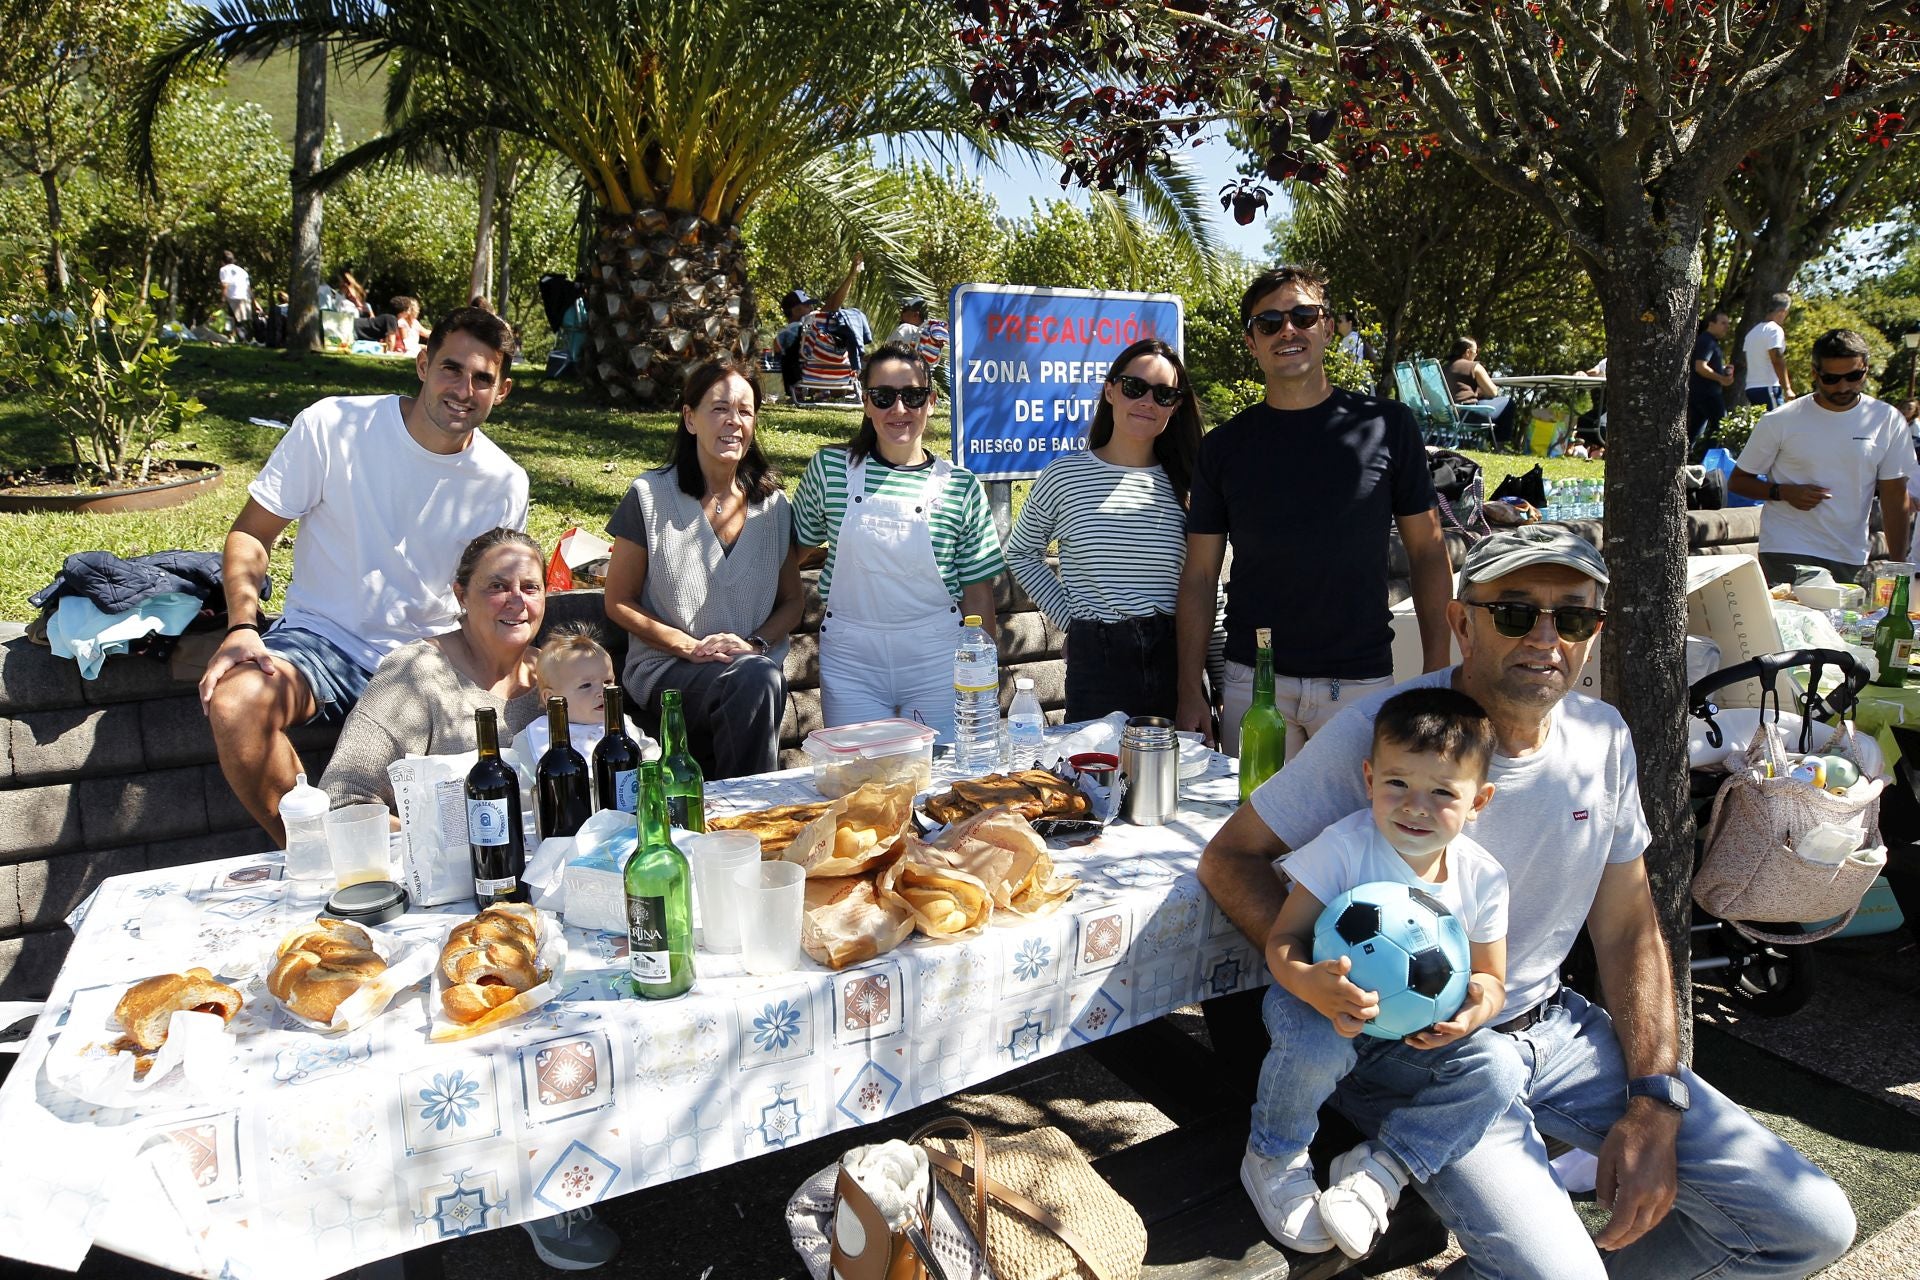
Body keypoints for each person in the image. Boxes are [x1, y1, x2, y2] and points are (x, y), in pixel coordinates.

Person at [1197, 524, 1856, 1280]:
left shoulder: (1602, 736)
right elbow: (1230, 858)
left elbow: (1629, 928)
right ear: (1460, 621)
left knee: (1807, 1226)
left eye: (1572, 616)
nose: (1546, 637)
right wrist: (1314, 973)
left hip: (1557, 1029)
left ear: (1592, 632)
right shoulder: (1386, 735)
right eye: (1515, 611)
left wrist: (1655, 1098)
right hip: (1419, 1052)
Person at [199, 307, 529, 845]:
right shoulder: (334, 426)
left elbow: (491, 594)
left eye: (482, 378)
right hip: (323, 642)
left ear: (502, 391)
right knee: (236, 702)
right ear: (422, 364)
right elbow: (251, 535)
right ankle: (320, 855)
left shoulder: (505, 482)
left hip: (430, 660)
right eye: (451, 368)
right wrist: (242, 627)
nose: (464, 389)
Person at [1243, 687, 1519, 1261]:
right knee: (1311, 1030)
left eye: (1442, 792)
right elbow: (1283, 942)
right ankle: (1274, 1151)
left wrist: (1475, 1010)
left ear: (1480, 801)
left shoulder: (1483, 879)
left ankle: (1382, 1170)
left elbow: (1493, 979)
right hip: (1319, 1014)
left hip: (1408, 1043)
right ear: (1369, 778)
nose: (1415, 806)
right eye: (1397, 783)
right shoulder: (1343, 848)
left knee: (1500, 1065)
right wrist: (1310, 985)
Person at [1176, 263, 1452, 758]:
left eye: (1304, 316)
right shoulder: (1222, 448)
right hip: (1253, 687)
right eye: (1269, 323)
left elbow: (1429, 554)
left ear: (1326, 328)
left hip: (1359, 686)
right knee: (1251, 834)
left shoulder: (1387, 425)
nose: (1288, 330)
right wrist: (1188, 689)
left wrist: (1436, 673)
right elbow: (1198, 576)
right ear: (1251, 342)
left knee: (1355, 834)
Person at [604, 356, 804, 779]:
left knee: (755, 677)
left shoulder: (775, 509)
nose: (733, 421)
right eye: (719, 408)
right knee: (756, 681)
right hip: (668, 674)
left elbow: (792, 602)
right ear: (690, 418)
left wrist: (755, 645)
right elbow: (618, 600)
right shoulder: (649, 496)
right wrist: (688, 647)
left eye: (745, 411)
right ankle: (756, 817)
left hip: (752, 671)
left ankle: (738, 817)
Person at [794, 340, 1005, 741]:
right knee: (858, 785)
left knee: (944, 784)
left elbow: (979, 593)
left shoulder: (961, 487)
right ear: (865, 400)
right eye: (884, 397)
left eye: (912, 396)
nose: (899, 409)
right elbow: (791, 555)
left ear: (932, 401)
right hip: (850, 663)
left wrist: (982, 679)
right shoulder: (829, 470)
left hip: (939, 660)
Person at [1006, 338, 1201, 721]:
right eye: (1134, 388)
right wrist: (1073, 624)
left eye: (1163, 394)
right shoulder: (1064, 475)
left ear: (1175, 407)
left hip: (1176, 663)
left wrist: (1214, 679)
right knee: (1097, 779)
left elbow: (1203, 586)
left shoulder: (1191, 484)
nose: (1147, 401)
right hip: (1100, 664)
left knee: (1179, 780)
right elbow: (1021, 552)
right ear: (1110, 391)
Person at [320, 529, 548, 816]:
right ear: (461, 595)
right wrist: (427, 843)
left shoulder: (562, 677)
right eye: (497, 586)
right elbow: (342, 799)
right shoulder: (416, 672)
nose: (516, 601)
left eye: (530, 588)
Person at [1729, 327, 1910, 587]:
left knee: (1844, 629)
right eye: (1831, 379)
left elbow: (1895, 496)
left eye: (1853, 376)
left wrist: (1898, 565)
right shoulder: (1781, 420)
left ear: (1865, 369)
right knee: (1799, 626)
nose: (1843, 386)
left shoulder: (1887, 419)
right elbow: (1738, 481)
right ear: (1815, 373)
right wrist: (1783, 492)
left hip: (1850, 553)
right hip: (1788, 548)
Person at [509, 628, 656, 766]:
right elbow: (523, 785)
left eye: (607, 681)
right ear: (551, 698)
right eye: (585, 685)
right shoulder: (535, 737)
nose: (602, 691)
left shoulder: (623, 725)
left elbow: (651, 755)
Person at [777, 257, 866, 395]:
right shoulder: (807, 324)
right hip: (840, 378)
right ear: (795, 310)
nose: (812, 307)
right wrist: (851, 276)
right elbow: (832, 306)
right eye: (807, 305)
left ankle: (804, 392)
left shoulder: (789, 332)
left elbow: (776, 349)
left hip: (808, 378)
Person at [1444, 338, 1518, 446]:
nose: (1476, 354)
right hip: (1468, 413)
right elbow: (1493, 392)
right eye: (1475, 351)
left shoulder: (1444, 367)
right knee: (1508, 403)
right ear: (1468, 352)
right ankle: (1498, 444)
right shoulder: (1474, 366)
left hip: (1448, 414)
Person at [1688, 308, 1736, 456]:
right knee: (1720, 425)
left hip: (1700, 393)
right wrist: (1721, 378)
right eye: (1723, 323)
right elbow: (1700, 367)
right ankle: (1709, 465)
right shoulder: (1706, 341)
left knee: (1695, 430)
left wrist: (1722, 370)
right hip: (1707, 394)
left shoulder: (1710, 342)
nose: (1726, 327)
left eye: (1728, 324)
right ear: (1711, 323)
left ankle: (1686, 459)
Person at [1742, 292, 1794, 408]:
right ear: (1782, 312)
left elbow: (1747, 361)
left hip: (1751, 388)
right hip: (1769, 387)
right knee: (1777, 424)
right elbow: (1776, 359)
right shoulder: (1774, 330)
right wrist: (1787, 388)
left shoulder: (1752, 333)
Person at [217, 250, 253, 337]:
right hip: (245, 297)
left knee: (231, 320)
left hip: (233, 297)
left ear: (222, 261)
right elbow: (249, 288)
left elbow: (225, 285)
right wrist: (254, 302)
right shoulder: (242, 271)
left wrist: (222, 300)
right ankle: (239, 337)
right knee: (239, 321)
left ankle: (237, 337)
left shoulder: (224, 270)